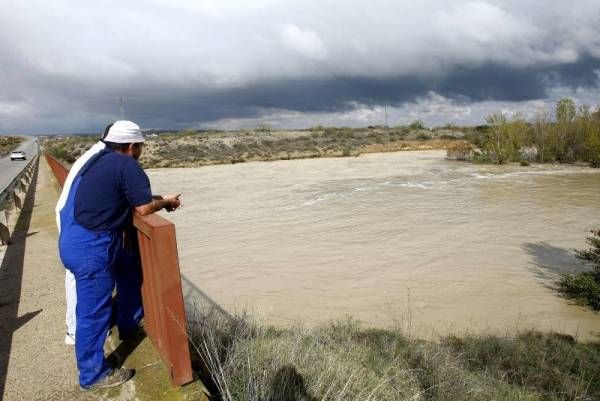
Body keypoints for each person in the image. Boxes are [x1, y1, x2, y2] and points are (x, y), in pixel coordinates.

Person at [57, 120, 181, 390]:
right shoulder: (127, 165)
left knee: (129, 268)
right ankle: (93, 375)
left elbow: (123, 197)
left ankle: (128, 320)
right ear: (132, 146)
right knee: (93, 312)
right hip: (92, 249)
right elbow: (145, 208)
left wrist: (160, 198)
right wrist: (164, 202)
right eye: (141, 147)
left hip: (75, 239)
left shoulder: (97, 161)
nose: (141, 152)